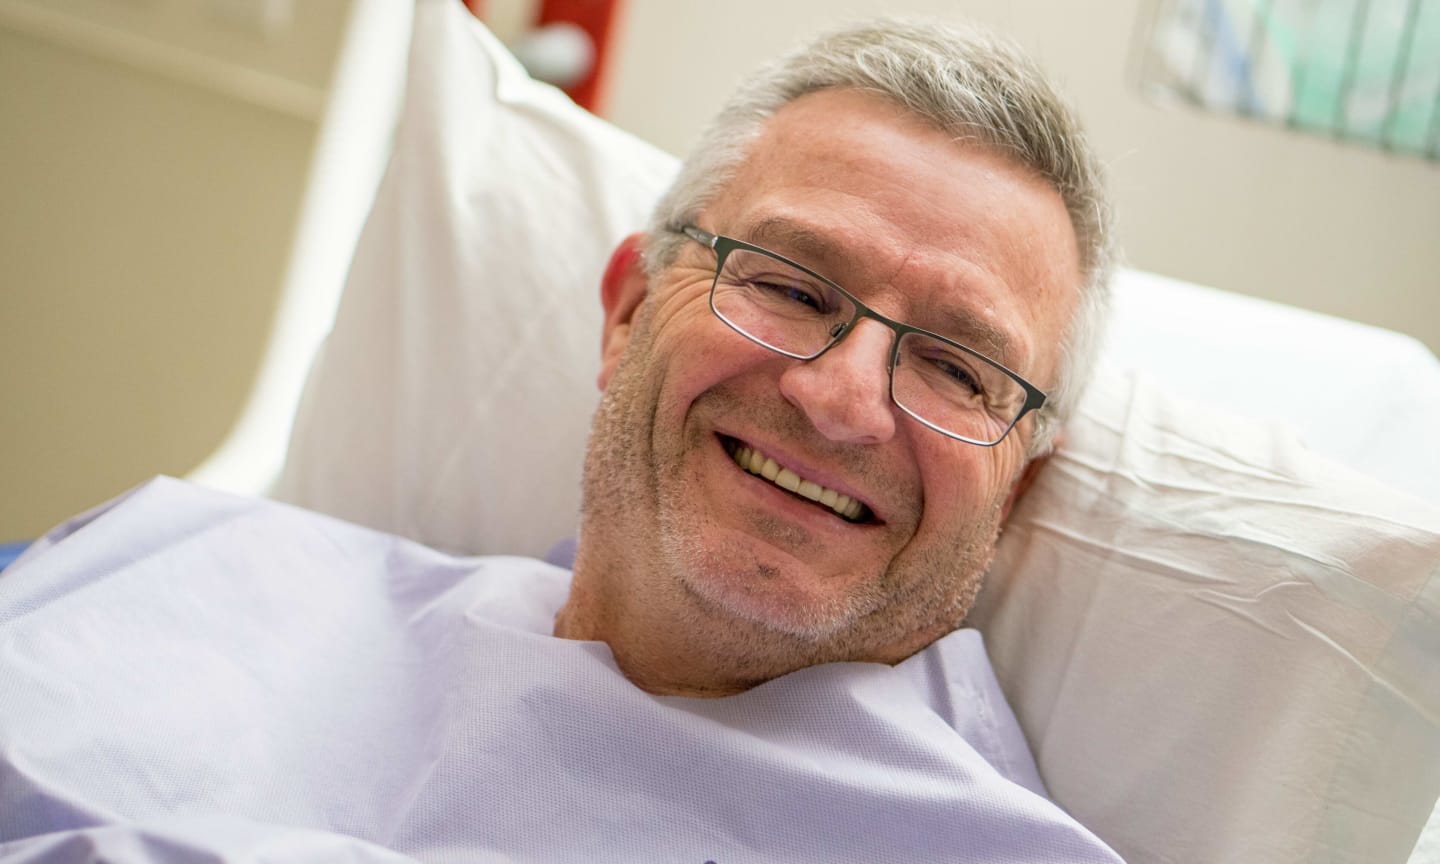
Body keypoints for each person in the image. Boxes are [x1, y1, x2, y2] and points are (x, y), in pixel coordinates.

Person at [0, 15, 1122, 863]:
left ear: (1015, 494)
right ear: (628, 311)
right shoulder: (182, 568)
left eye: (957, 368)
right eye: (788, 285)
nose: (841, 400)